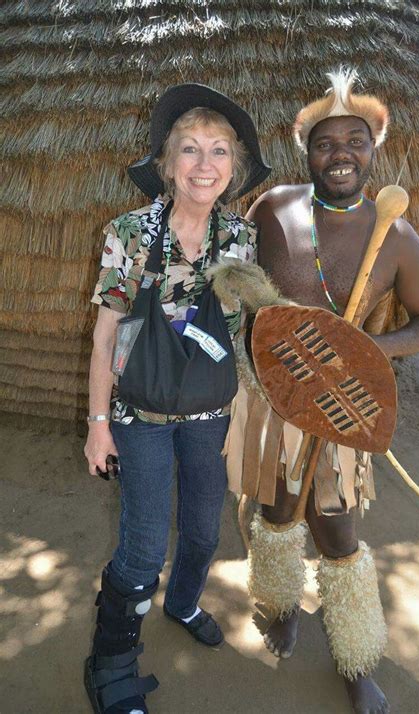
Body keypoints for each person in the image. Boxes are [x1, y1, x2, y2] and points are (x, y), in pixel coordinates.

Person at [225, 68, 419, 714]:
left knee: (337, 530)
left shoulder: (397, 234)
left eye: (355, 140)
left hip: (341, 405)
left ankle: (356, 657)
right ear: (307, 152)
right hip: (269, 400)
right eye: (326, 142)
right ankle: (279, 603)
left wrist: (368, 352)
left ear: (373, 150)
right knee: (275, 510)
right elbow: (241, 286)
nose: (341, 153)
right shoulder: (272, 209)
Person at [83, 83, 270, 714]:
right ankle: (110, 661)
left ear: (233, 167)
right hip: (141, 417)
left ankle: (185, 601)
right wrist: (98, 424)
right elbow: (109, 330)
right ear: (168, 164)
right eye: (189, 149)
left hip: (211, 417)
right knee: (141, 544)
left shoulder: (241, 239)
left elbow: (249, 333)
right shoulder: (130, 233)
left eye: (219, 150)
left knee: (200, 529)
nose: (204, 163)